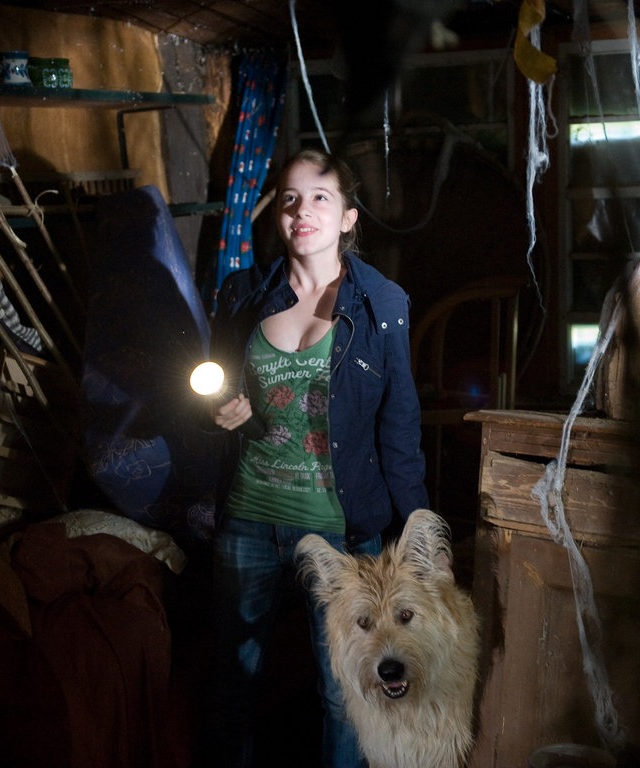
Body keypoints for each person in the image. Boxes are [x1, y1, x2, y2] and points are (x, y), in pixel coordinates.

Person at [205, 147, 429, 768]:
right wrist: (223, 404)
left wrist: (418, 547)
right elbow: (216, 381)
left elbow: (399, 426)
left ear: (350, 217)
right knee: (231, 688)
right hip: (248, 520)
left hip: (339, 535)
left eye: (321, 197)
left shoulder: (383, 305)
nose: (303, 210)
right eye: (290, 198)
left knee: (343, 697)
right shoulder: (245, 292)